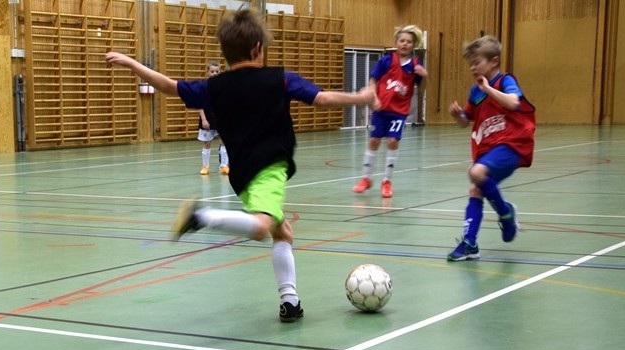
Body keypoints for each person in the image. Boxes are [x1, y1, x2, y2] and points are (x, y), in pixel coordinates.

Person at [106, 9, 373, 322]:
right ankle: (201, 216)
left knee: (282, 232)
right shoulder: (280, 79)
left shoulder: (214, 87)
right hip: (269, 168)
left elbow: (166, 85)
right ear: (258, 47)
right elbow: (323, 99)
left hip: (241, 174)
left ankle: (290, 302)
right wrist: (363, 96)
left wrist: (132, 62)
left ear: (225, 52)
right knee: (262, 227)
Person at [446, 35, 535, 261]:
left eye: (477, 62)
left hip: (512, 145)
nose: (473, 68)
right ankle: (469, 244)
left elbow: (514, 102)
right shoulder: (476, 91)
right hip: (488, 148)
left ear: (493, 61)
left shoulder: (504, 81)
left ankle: (505, 214)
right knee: (476, 189)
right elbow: (467, 121)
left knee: (476, 173)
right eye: (471, 64)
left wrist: (489, 90)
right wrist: (458, 116)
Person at [352, 25, 427, 198]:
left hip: (399, 112)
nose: (404, 44)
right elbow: (373, 79)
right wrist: (375, 97)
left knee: (392, 141)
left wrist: (425, 76)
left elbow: (421, 89)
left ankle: (386, 181)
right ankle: (366, 178)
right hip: (382, 109)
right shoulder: (386, 60)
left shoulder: (416, 66)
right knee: (374, 141)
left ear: (413, 45)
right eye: (402, 41)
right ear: (396, 43)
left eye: (408, 42)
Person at [197, 61, 230, 175]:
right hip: (207, 118)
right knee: (207, 143)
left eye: (217, 71)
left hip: (220, 118)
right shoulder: (204, 87)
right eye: (212, 71)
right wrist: (204, 119)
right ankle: (205, 166)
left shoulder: (223, 86)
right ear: (207, 72)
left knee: (224, 141)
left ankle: (224, 166)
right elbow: (199, 104)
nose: (215, 73)